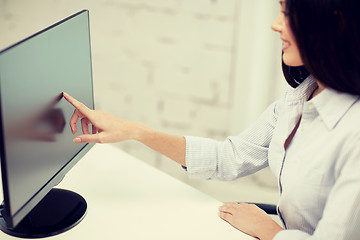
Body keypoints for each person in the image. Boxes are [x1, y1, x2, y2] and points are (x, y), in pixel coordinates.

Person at [63, 0, 360, 239]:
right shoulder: (299, 98)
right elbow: (229, 158)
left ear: (334, 22)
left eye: (287, 13)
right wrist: (134, 131)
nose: (275, 24)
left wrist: (270, 231)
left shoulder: (354, 135)